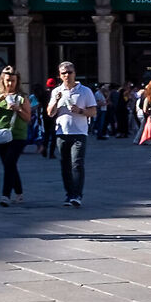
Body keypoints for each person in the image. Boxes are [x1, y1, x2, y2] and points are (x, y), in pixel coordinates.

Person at [48, 62, 98, 206]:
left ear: (75, 73)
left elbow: (93, 112)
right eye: (63, 73)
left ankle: (77, 195)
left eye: (69, 72)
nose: (67, 75)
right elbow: (50, 113)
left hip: (79, 132)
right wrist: (56, 100)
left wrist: (80, 111)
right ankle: (69, 194)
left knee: (77, 163)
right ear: (59, 75)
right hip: (62, 133)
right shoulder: (56, 91)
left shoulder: (85, 91)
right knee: (65, 164)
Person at [0, 64, 34, 206]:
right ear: (2, 80)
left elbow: (28, 118)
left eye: (13, 80)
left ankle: (5, 195)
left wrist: (18, 109)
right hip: (1, 134)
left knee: (10, 163)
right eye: (7, 80)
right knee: (8, 165)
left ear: (17, 81)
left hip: (18, 134)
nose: (10, 83)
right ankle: (19, 192)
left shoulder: (22, 97)